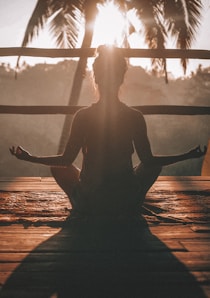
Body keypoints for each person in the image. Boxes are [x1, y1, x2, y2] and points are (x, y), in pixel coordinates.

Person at [10, 45, 207, 217]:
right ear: (121, 79)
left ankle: (80, 204)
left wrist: (30, 157)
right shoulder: (134, 116)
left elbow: (65, 160)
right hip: (125, 199)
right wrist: (187, 155)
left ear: (96, 78)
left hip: (91, 201)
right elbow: (149, 161)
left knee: (58, 167)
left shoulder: (83, 116)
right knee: (153, 166)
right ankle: (134, 200)